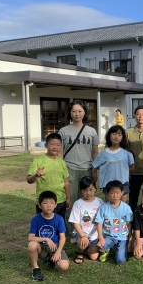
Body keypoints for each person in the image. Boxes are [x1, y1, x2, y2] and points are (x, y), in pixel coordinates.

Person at [58, 100, 99, 238]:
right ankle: (72, 233)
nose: (77, 114)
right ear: (69, 113)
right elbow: (60, 153)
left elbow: (94, 152)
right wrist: (61, 171)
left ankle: (87, 231)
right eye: (74, 111)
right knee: (71, 202)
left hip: (87, 169)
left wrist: (95, 169)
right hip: (69, 169)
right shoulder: (63, 131)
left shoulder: (91, 131)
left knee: (87, 201)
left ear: (84, 113)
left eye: (80, 111)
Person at [27, 191, 69, 281]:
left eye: (51, 203)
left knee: (64, 266)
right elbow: (30, 238)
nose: (48, 206)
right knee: (32, 245)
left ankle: (52, 260)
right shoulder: (36, 219)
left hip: (55, 246)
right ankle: (36, 269)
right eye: (45, 203)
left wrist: (58, 251)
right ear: (40, 205)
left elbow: (62, 237)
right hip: (41, 247)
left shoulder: (59, 219)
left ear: (55, 205)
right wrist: (46, 239)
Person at [27, 133, 71, 218]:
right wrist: (36, 175)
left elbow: (66, 182)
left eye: (58, 145)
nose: (55, 147)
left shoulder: (62, 162)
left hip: (60, 201)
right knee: (44, 227)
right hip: (44, 201)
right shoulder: (38, 161)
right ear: (46, 145)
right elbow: (29, 180)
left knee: (59, 227)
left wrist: (68, 198)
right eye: (52, 144)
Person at [92, 125, 135, 203]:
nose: (116, 137)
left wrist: (124, 171)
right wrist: (95, 172)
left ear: (122, 137)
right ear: (109, 136)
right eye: (114, 134)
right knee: (109, 207)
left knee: (122, 207)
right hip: (108, 184)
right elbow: (96, 165)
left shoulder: (127, 153)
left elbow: (132, 167)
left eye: (119, 134)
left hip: (123, 183)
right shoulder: (104, 153)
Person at [95, 180, 133, 265]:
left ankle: (120, 249)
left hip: (122, 237)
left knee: (120, 261)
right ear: (107, 194)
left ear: (122, 193)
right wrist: (100, 237)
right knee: (99, 247)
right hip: (109, 235)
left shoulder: (126, 208)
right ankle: (107, 249)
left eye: (117, 192)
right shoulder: (103, 208)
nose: (115, 195)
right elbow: (99, 223)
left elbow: (129, 224)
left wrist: (130, 239)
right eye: (112, 193)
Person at [68, 176, 103, 264]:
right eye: (85, 190)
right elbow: (75, 223)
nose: (88, 193)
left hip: (95, 234)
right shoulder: (78, 204)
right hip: (82, 233)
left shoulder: (100, 202)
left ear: (95, 189)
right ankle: (80, 252)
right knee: (82, 242)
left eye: (91, 189)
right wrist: (83, 236)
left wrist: (100, 235)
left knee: (93, 257)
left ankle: (91, 247)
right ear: (81, 190)